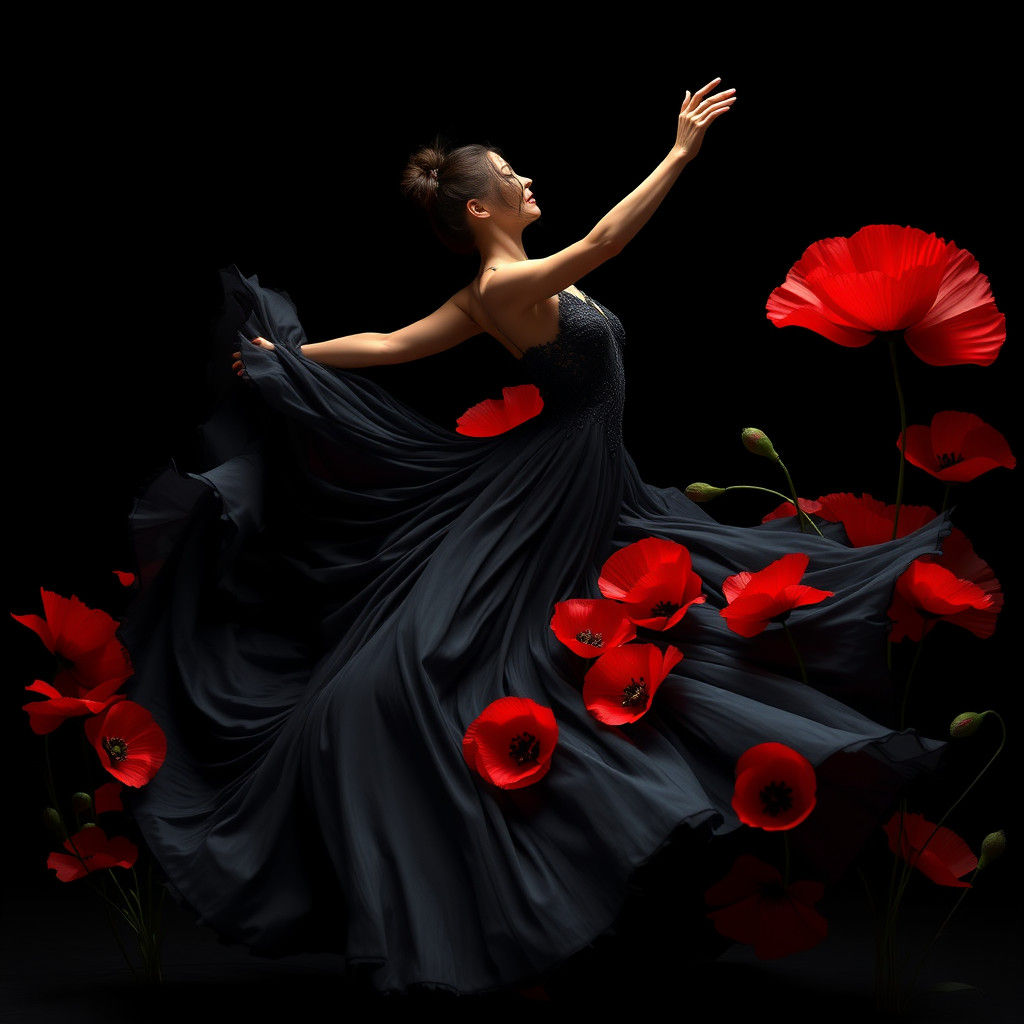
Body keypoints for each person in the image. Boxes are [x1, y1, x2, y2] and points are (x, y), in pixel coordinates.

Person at [116, 78, 953, 999]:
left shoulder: (492, 288)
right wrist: (678, 152)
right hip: (550, 487)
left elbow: (394, 343)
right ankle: (523, 876)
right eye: (510, 174)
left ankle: (602, 863)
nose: (527, 176)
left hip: (590, 482)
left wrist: (297, 357)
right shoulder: (507, 281)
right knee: (502, 651)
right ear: (480, 207)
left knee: (614, 639)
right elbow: (592, 247)